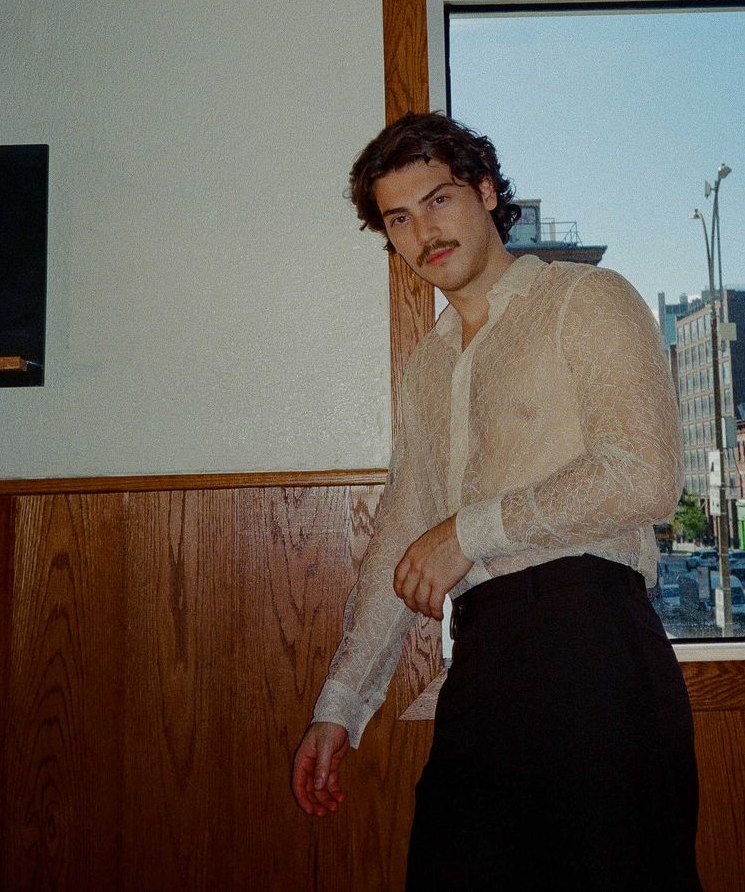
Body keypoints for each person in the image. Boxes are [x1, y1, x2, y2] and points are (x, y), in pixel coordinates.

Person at [292, 111, 702, 891]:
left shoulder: (587, 298)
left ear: (486, 191)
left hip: (594, 650)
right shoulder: (426, 367)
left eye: (438, 199)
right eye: (399, 219)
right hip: (482, 665)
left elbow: (645, 473)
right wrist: (341, 702)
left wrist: (469, 532)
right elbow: (401, 538)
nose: (423, 232)